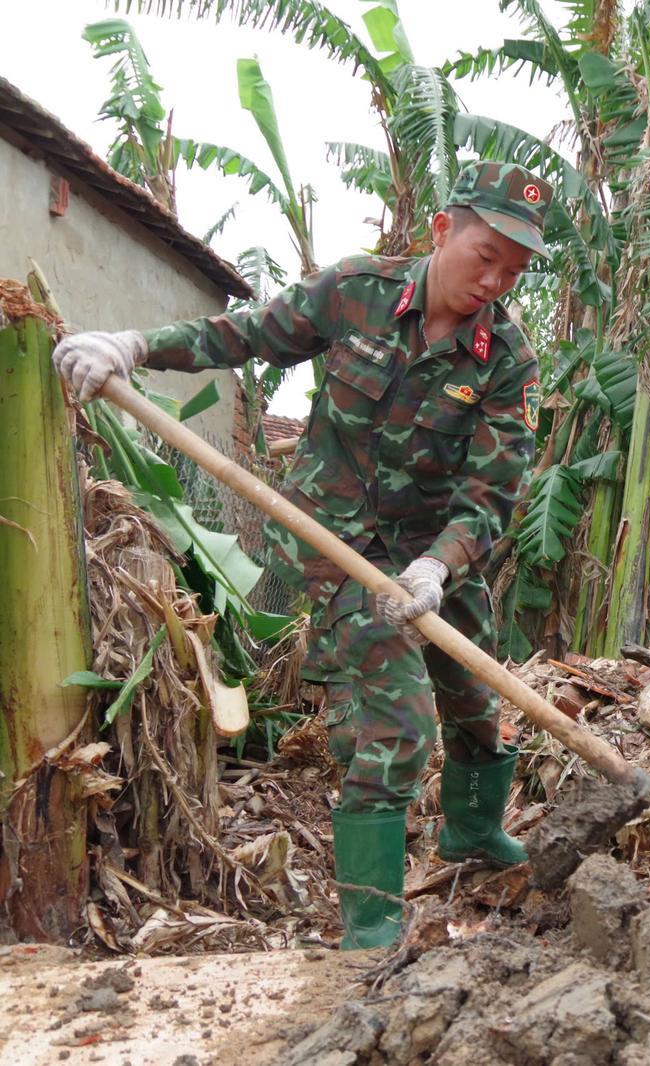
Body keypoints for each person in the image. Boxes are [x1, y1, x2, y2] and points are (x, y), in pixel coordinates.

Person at [53, 162, 551, 950]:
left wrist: (437, 567)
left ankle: (472, 835)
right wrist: (135, 343)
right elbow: (243, 334)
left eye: (513, 271)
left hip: (436, 554)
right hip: (340, 544)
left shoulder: (507, 361)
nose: (494, 280)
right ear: (442, 231)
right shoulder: (356, 290)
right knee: (396, 721)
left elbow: (492, 493)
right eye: (484, 254)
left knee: (476, 706)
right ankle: (371, 924)